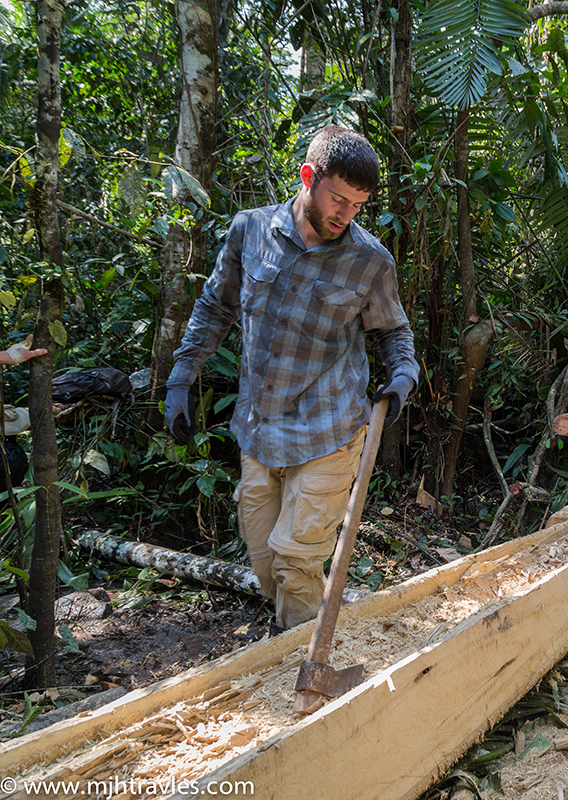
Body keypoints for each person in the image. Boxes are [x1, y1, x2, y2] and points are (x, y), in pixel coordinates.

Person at [165, 125, 419, 630]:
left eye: (357, 206)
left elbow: (394, 331)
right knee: (265, 565)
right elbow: (216, 306)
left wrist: (404, 372)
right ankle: (302, 642)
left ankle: (304, 683)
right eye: (338, 199)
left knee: (296, 561)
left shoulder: (370, 261)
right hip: (259, 429)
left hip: (329, 431)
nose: (345, 215)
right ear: (307, 176)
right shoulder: (250, 230)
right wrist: (181, 375)